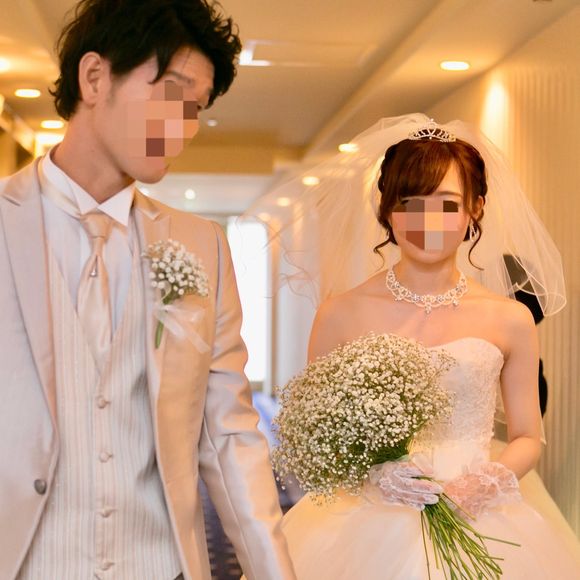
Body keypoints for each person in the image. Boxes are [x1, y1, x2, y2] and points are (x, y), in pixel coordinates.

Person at [0, 1, 295, 579]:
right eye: (171, 95)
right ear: (94, 77)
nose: (184, 126)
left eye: (195, 109)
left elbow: (228, 435)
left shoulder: (201, 245)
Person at [262, 115, 580, 578]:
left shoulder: (511, 319)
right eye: (410, 203)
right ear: (386, 210)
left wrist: (483, 483)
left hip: (479, 513)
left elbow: (528, 437)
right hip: (364, 523)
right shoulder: (340, 312)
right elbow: (315, 435)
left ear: (476, 209)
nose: (427, 222)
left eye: (447, 205)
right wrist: (374, 474)